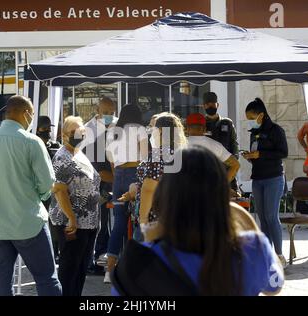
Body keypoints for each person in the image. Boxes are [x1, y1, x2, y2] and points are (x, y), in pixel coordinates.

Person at [111, 146, 284, 296]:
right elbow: (274, 287)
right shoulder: (253, 248)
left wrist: (150, 229)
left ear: (166, 195)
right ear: (221, 192)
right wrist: (246, 220)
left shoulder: (137, 264)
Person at [0, 95, 62, 296]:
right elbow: (47, 183)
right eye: (31, 114)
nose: (32, 119)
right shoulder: (32, 142)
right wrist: (35, 195)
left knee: (3, 280)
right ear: (26, 113)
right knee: (47, 278)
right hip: (29, 222)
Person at [49, 116, 101, 296]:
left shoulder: (78, 152)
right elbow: (59, 190)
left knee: (80, 269)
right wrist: (71, 217)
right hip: (72, 224)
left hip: (88, 223)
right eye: (74, 131)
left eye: (82, 130)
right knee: (69, 271)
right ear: (64, 135)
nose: (80, 133)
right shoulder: (63, 157)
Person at [105, 104, 149, 283]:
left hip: (118, 177)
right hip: (135, 174)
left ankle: (109, 272)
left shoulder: (113, 131)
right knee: (140, 220)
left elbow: (110, 158)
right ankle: (135, 270)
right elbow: (145, 157)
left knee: (119, 224)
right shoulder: (140, 129)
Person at [242, 98, 288, 267]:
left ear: (261, 115)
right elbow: (257, 154)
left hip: (274, 178)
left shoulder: (276, 130)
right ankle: (267, 254)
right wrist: (250, 156)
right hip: (258, 178)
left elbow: (283, 153)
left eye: (251, 117)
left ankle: (279, 255)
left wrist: (261, 155)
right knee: (262, 217)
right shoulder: (254, 133)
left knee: (271, 216)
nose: (249, 121)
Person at [136, 112, 188, 242]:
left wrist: (143, 221)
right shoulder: (186, 154)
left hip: (158, 221)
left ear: (159, 131)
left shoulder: (158, 155)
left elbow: (149, 189)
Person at [82, 97, 118, 275]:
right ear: (98, 110)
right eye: (106, 113)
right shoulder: (89, 130)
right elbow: (91, 163)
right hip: (95, 182)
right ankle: (91, 260)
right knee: (95, 223)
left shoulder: (117, 126)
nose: (110, 116)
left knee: (105, 223)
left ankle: (100, 255)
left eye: (112, 112)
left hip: (109, 181)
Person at [186, 113, 240, 184]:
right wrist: (223, 185)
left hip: (185, 192)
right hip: (210, 191)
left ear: (187, 128)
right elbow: (235, 165)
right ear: (205, 129)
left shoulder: (179, 145)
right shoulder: (216, 145)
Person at [36, 115, 62, 259]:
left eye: (48, 128)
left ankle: (55, 250)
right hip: (39, 190)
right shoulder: (32, 145)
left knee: (54, 223)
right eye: (43, 128)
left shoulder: (55, 146)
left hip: (54, 190)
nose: (47, 132)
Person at [203, 92, 240, 191]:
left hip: (226, 170)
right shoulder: (201, 124)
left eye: (212, 104)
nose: (210, 106)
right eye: (207, 104)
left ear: (217, 105)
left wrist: (234, 160)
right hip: (208, 172)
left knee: (230, 202)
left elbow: (234, 143)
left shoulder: (227, 123)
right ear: (204, 106)